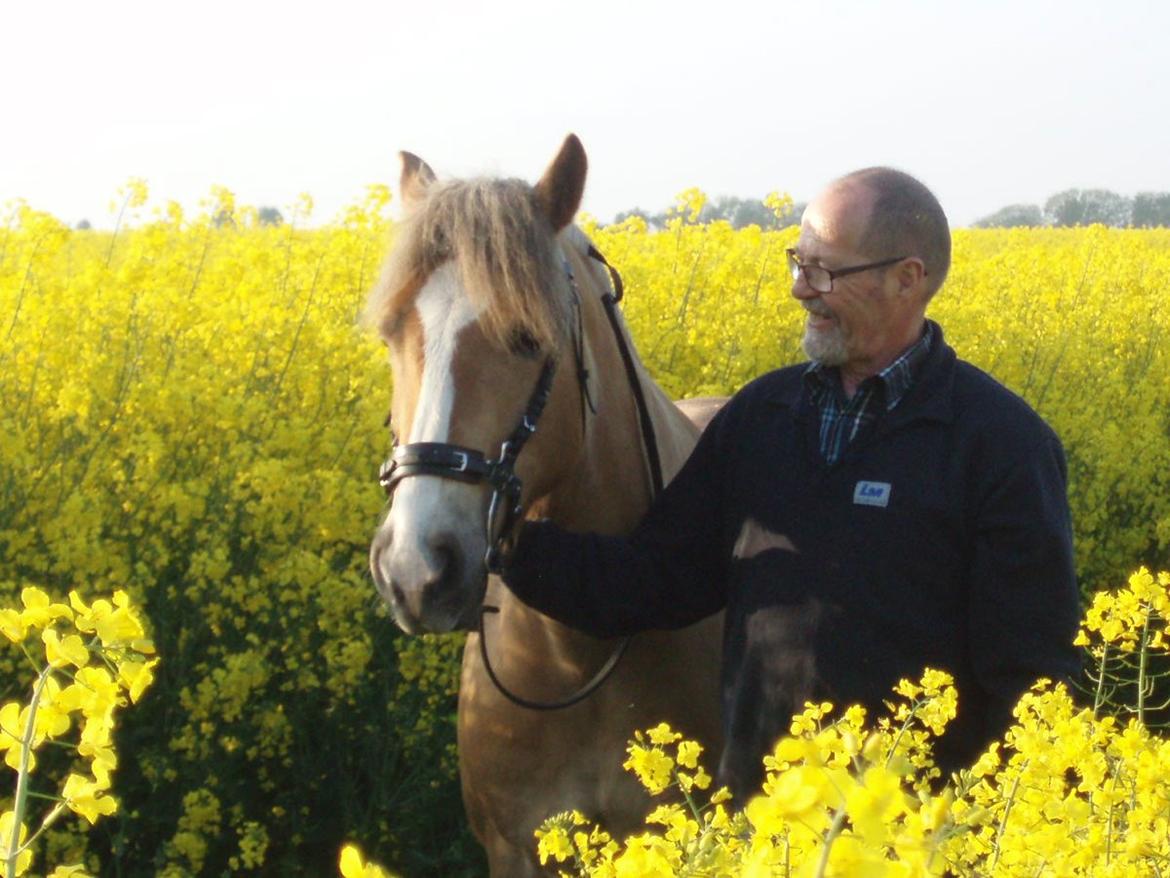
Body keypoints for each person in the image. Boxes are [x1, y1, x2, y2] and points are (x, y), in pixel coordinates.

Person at [500, 167, 1082, 802]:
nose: (800, 289)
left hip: (916, 839)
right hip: (768, 826)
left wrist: (996, 835)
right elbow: (659, 578)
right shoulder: (761, 417)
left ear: (906, 279)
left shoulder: (1001, 444)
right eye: (796, 263)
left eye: (824, 271)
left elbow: (1030, 678)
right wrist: (507, 545)